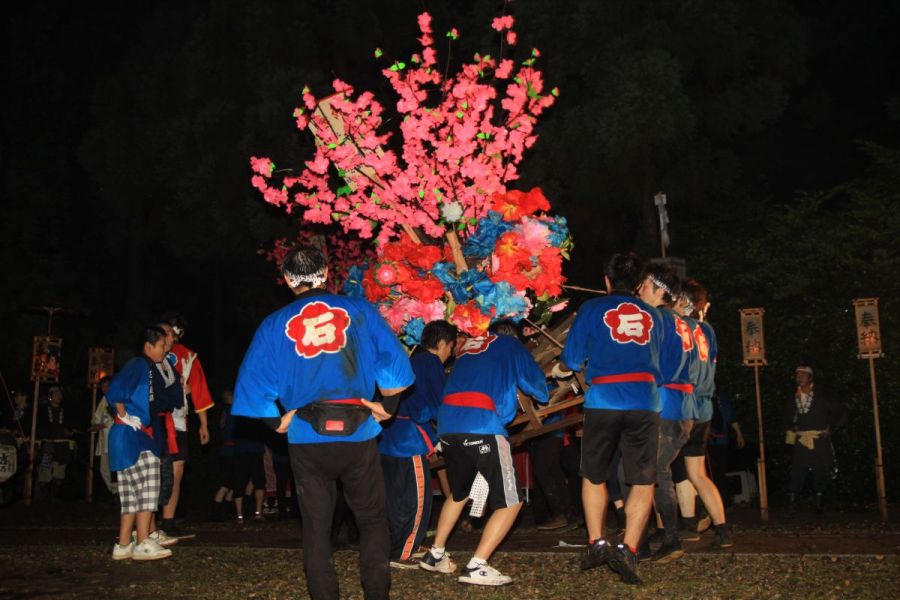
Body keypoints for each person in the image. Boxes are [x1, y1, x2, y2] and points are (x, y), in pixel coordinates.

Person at [232, 246, 414, 600]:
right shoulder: (360, 310)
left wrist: (275, 422)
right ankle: (377, 594)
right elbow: (392, 363)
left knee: (316, 526)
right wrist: (387, 406)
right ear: (327, 273)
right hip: (358, 429)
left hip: (306, 433)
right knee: (372, 519)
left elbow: (255, 384)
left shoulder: (273, 324)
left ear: (287, 280)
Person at [559, 252, 662, 585]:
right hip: (645, 400)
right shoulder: (655, 316)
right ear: (639, 285)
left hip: (603, 398)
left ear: (606, 281)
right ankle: (629, 548)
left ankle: (596, 541)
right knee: (643, 478)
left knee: (593, 473)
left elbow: (572, 360)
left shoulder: (590, 310)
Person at [419, 320, 548, 587]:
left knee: (459, 492)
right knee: (512, 501)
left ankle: (436, 553)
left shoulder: (467, 348)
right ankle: (477, 565)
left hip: (448, 426)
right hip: (482, 424)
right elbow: (539, 389)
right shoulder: (511, 345)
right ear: (513, 336)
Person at [379, 319, 457, 569]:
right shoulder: (430, 363)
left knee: (397, 497)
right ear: (443, 343)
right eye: (451, 347)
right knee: (416, 499)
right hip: (407, 440)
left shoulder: (411, 359)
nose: (451, 354)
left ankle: (404, 544)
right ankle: (402, 552)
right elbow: (439, 403)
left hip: (388, 438)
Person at [635, 264, 694, 563]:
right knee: (656, 470)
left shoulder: (656, 318)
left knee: (655, 471)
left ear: (659, 290)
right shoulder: (680, 321)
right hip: (682, 403)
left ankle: (671, 538)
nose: (639, 290)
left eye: (644, 285)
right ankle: (658, 534)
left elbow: (652, 365)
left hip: (667, 403)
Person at [106, 326, 173, 561]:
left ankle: (123, 544)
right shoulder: (140, 364)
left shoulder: (147, 368)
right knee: (148, 489)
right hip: (134, 435)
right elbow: (115, 391)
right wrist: (124, 415)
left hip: (125, 437)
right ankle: (143, 541)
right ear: (149, 346)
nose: (165, 350)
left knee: (130, 494)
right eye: (162, 345)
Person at [680, 278, 732, 547]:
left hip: (682, 404)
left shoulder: (680, 327)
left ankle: (674, 528)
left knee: (663, 468)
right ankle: (721, 530)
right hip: (704, 407)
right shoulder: (708, 330)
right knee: (697, 472)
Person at [158, 314, 214, 533]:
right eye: (170, 331)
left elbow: (199, 389)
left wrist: (204, 425)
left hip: (178, 421)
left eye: (176, 332)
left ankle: (168, 521)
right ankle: (148, 523)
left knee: (176, 471)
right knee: (155, 471)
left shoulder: (187, 356)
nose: (173, 335)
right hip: (155, 420)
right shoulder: (150, 356)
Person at [785, 365, 842, 514]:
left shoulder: (822, 395)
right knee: (798, 469)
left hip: (819, 438)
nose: (799, 377)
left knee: (820, 470)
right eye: (797, 375)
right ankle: (792, 502)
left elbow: (838, 412)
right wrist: (791, 431)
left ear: (810, 377)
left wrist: (831, 426)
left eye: (803, 375)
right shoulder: (793, 397)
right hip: (802, 439)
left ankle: (819, 503)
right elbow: (787, 418)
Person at [35, 386, 75, 500]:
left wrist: (68, 431)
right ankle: (42, 497)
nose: (58, 396)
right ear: (50, 396)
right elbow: (40, 427)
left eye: (60, 394)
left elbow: (70, 426)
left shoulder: (66, 411)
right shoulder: (42, 411)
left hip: (62, 445)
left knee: (59, 473)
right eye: (55, 393)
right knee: (44, 471)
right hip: (48, 444)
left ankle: (54, 497)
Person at [89, 376, 117, 495]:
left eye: (107, 385)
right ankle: (113, 491)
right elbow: (97, 418)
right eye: (103, 386)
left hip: (115, 440)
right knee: (103, 469)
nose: (105, 388)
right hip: (104, 440)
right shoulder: (104, 400)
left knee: (115, 469)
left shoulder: (118, 397)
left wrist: (102, 425)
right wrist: (95, 426)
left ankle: (118, 493)